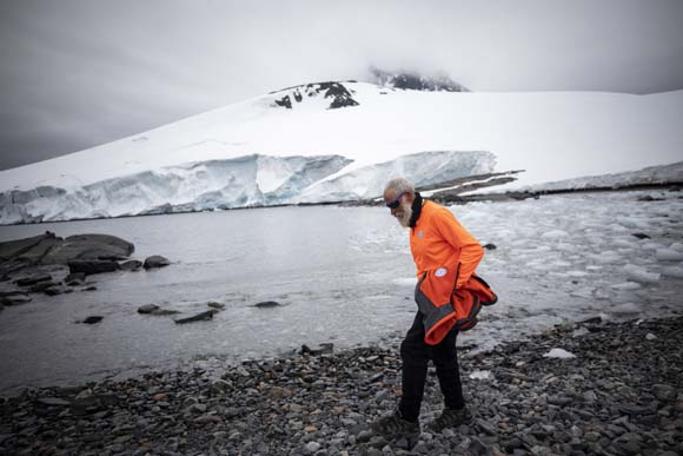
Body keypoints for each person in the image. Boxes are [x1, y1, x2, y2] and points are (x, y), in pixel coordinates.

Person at [371, 177, 496, 439]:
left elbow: (472, 249)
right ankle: (456, 409)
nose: (392, 212)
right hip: (433, 297)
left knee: (413, 349)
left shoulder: (436, 215)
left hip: (444, 298)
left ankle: (407, 419)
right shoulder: (415, 222)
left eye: (393, 205)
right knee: (442, 351)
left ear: (406, 197)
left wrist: (453, 286)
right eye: (387, 207)